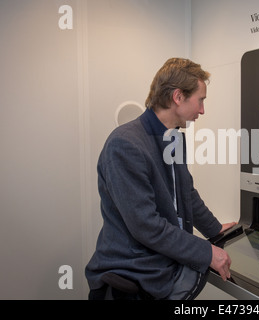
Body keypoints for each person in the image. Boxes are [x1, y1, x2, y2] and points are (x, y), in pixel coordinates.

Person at [85, 58, 236, 300]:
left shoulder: (174, 138)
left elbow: (186, 193)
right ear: (178, 97)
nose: (202, 110)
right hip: (128, 283)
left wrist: (215, 229)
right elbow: (146, 225)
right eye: (201, 100)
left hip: (161, 272)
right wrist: (206, 252)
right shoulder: (124, 144)